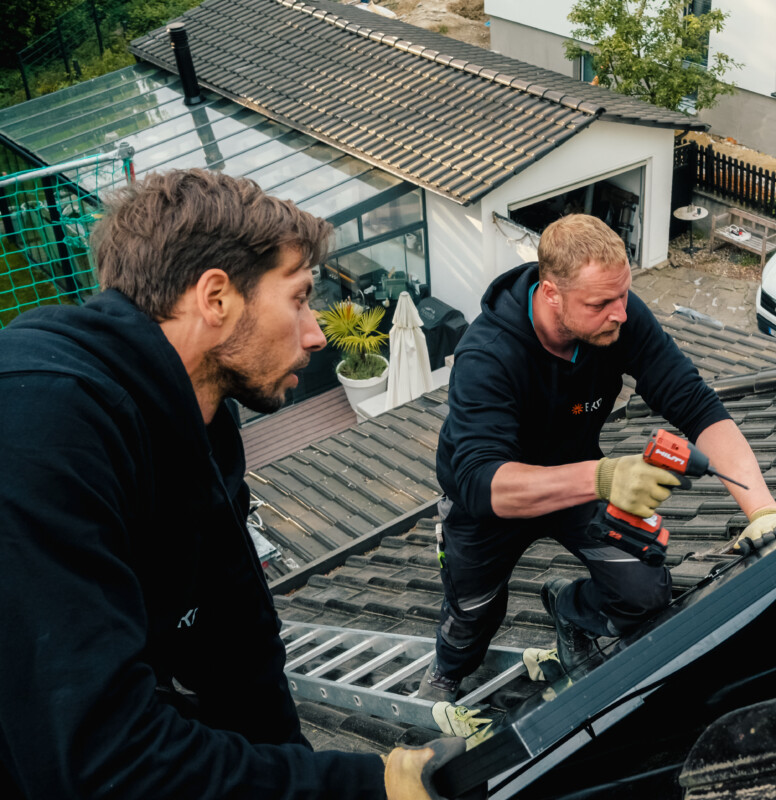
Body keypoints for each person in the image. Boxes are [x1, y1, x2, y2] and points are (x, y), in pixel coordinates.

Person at [0, 169, 459, 799]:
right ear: (216, 298)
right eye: (299, 297)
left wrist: (303, 770)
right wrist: (363, 786)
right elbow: (101, 760)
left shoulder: (200, 414)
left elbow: (234, 638)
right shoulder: (37, 430)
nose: (317, 334)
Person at [422, 214, 776, 701]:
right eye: (601, 303)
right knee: (473, 612)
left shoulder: (618, 319)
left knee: (644, 590)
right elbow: (479, 481)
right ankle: (447, 673)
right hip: (491, 508)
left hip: (577, 482)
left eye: (623, 294)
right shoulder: (488, 356)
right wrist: (603, 478)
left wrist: (761, 509)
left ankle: (568, 608)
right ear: (551, 293)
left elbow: (697, 404)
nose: (621, 313)